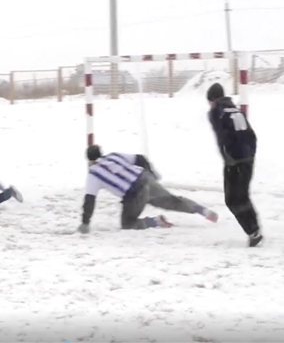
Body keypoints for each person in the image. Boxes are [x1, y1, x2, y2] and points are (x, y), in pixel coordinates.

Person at [77, 145, 218, 234]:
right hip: (144, 178)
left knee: (127, 224)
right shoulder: (114, 156)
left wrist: (85, 222)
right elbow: (140, 158)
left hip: (133, 193)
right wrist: (151, 173)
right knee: (173, 201)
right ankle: (204, 211)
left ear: (90, 160)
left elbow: (89, 200)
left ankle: (155, 222)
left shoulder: (93, 173)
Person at [206, 83, 262, 247]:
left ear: (213, 99)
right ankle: (254, 230)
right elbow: (252, 135)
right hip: (247, 159)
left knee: (232, 199)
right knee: (243, 196)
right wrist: (250, 154)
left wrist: (227, 157)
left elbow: (222, 137)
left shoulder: (216, 111)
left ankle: (253, 231)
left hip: (234, 160)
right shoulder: (236, 109)